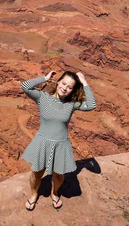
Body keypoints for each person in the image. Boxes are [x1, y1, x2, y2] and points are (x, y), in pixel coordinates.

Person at [21, 70, 96, 211]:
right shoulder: (42, 97)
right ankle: (33, 194)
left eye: (69, 87)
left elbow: (91, 105)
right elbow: (25, 86)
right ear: (58, 82)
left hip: (61, 145)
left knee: (59, 175)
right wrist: (44, 78)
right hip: (43, 142)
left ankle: (54, 193)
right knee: (37, 173)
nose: (64, 88)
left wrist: (84, 82)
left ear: (72, 90)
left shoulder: (71, 104)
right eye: (63, 83)